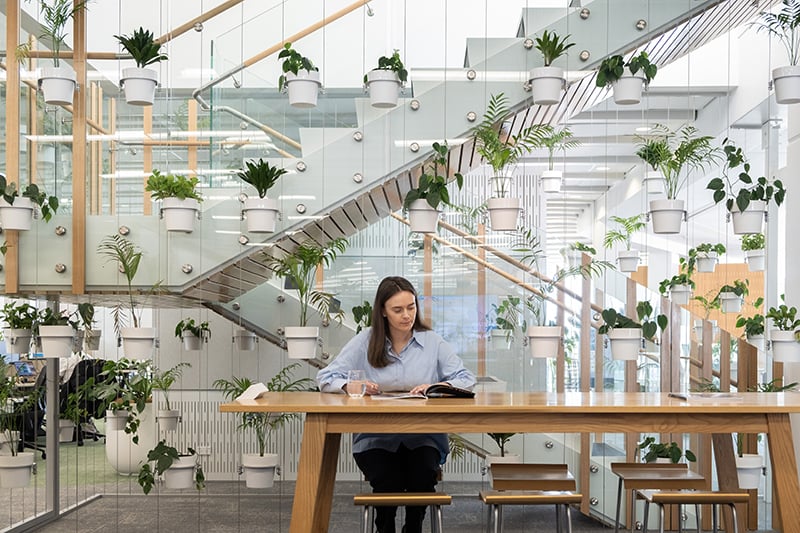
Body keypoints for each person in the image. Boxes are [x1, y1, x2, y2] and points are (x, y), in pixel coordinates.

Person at [317, 276, 476, 533]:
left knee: (422, 475)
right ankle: (385, 528)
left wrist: (438, 387)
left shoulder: (432, 342)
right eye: (398, 309)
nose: (406, 315)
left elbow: (466, 378)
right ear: (382, 311)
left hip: (424, 437)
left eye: (411, 307)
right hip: (375, 438)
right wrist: (350, 385)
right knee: (387, 478)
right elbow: (325, 377)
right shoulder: (365, 340)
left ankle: (413, 528)